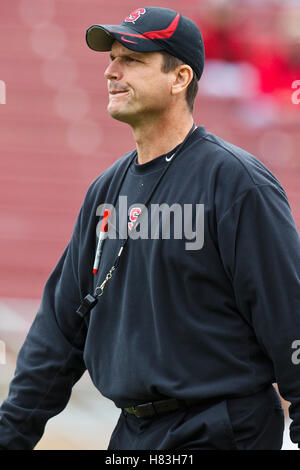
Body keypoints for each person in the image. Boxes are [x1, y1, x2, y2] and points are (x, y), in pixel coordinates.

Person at [0, 6, 300, 451]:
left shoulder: (236, 184)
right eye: (112, 59)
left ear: (179, 78)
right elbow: (59, 334)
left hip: (221, 430)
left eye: (132, 60)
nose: (111, 72)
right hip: (133, 433)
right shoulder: (105, 192)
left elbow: (289, 317)